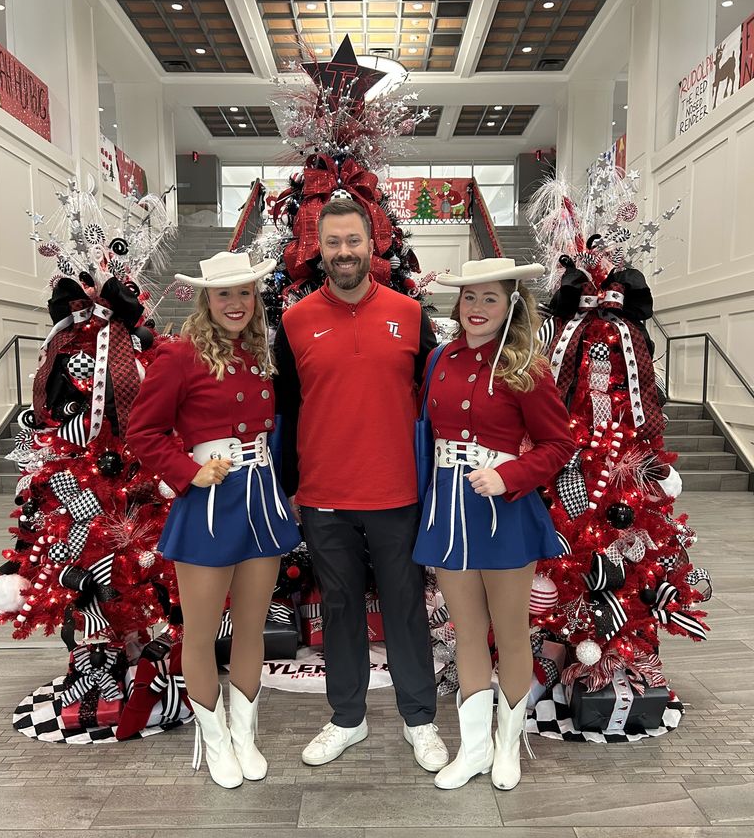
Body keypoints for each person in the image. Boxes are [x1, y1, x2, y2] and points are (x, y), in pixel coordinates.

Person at [274, 197, 449, 772]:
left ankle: (419, 720)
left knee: (405, 608)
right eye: (333, 242)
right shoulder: (294, 322)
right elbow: (286, 411)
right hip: (324, 495)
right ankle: (347, 718)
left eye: (353, 240)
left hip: (397, 492)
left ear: (373, 244)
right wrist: (290, 485)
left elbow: (437, 397)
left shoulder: (409, 313)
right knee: (340, 608)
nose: (344, 252)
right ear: (318, 249)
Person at [127, 251, 300, 788]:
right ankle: (216, 738)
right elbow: (143, 432)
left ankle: (244, 735)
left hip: (260, 501)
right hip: (208, 504)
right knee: (201, 634)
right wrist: (189, 471)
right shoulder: (179, 356)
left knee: (251, 627)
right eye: (225, 293)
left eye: (245, 292)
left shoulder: (257, 353)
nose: (236, 302)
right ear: (207, 298)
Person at [412, 258, 575, 791]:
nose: (477, 308)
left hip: (504, 513)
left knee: (510, 631)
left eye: (490, 298)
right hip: (449, 511)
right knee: (467, 634)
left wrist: (510, 476)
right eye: (470, 297)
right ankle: (474, 749)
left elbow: (559, 444)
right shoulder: (440, 358)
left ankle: (508, 746)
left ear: (510, 305)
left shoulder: (525, 366)